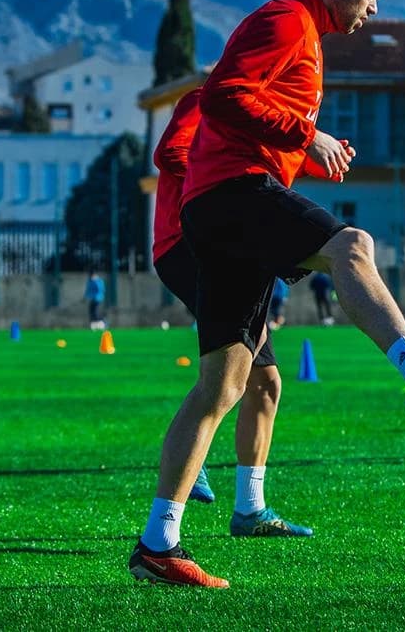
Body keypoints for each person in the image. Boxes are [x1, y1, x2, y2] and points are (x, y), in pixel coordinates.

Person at [129, 0, 405, 588]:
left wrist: (305, 144)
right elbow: (221, 95)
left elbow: (251, 112)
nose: (371, 9)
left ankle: (156, 544)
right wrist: (305, 135)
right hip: (232, 194)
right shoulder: (287, 19)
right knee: (352, 245)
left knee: (225, 385)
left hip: (223, 203)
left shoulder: (305, 36)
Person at [151, 87, 309, 530]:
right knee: (232, 379)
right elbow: (169, 154)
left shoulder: (261, 113)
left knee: (265, 382)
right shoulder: (203, 100)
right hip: (188, 245)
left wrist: (317, 155)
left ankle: (250, 508)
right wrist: (217, 194)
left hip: (230, 250)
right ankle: (194, 460)